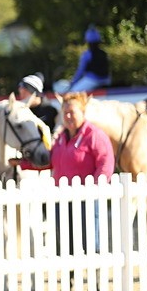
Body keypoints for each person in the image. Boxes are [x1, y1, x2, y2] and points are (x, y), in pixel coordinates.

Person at [50, 93, 114, 262]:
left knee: (91, 243)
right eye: (65, 113)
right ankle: (69, 283)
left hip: (87, 200)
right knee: (66, 244)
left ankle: (97, 284)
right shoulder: (60, 138)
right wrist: (23, 163)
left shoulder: (94, 135)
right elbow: (51, 161)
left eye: (72, 112)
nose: (68, 116)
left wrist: (93, 190)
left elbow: (105, 164)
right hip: (62, 199)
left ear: (83, 112)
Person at [66, 24, 111, 93]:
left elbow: (80, 71)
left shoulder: (86, 55)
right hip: (106, 80)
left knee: (73, 92)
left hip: (93, 80)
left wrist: (72, 83)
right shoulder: (104, 53)